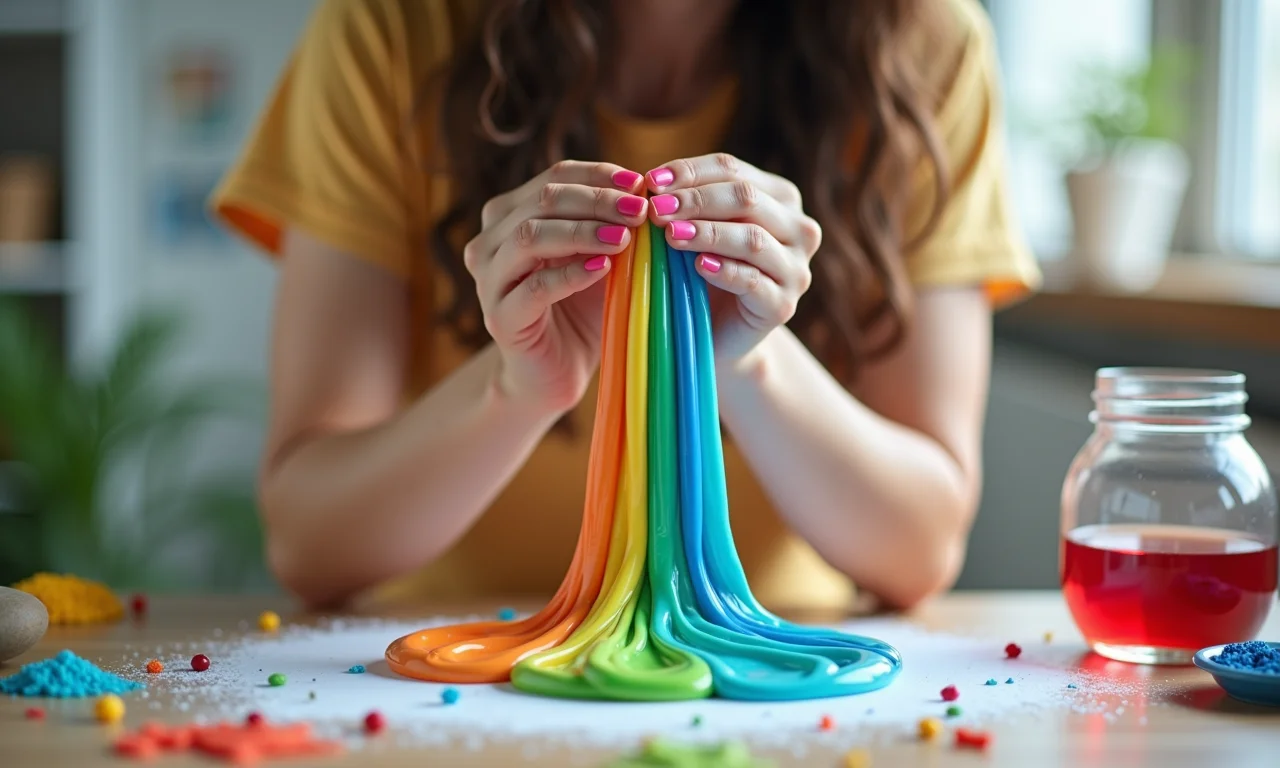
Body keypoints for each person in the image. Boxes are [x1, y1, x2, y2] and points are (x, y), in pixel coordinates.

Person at [210, 0, 1040, 612]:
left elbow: (920, 545)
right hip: (450, 671)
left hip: (767, 673)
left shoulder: (924, 42)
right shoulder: (387, 27)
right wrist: (518, 388)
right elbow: (311, 542)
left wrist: (746, 359)